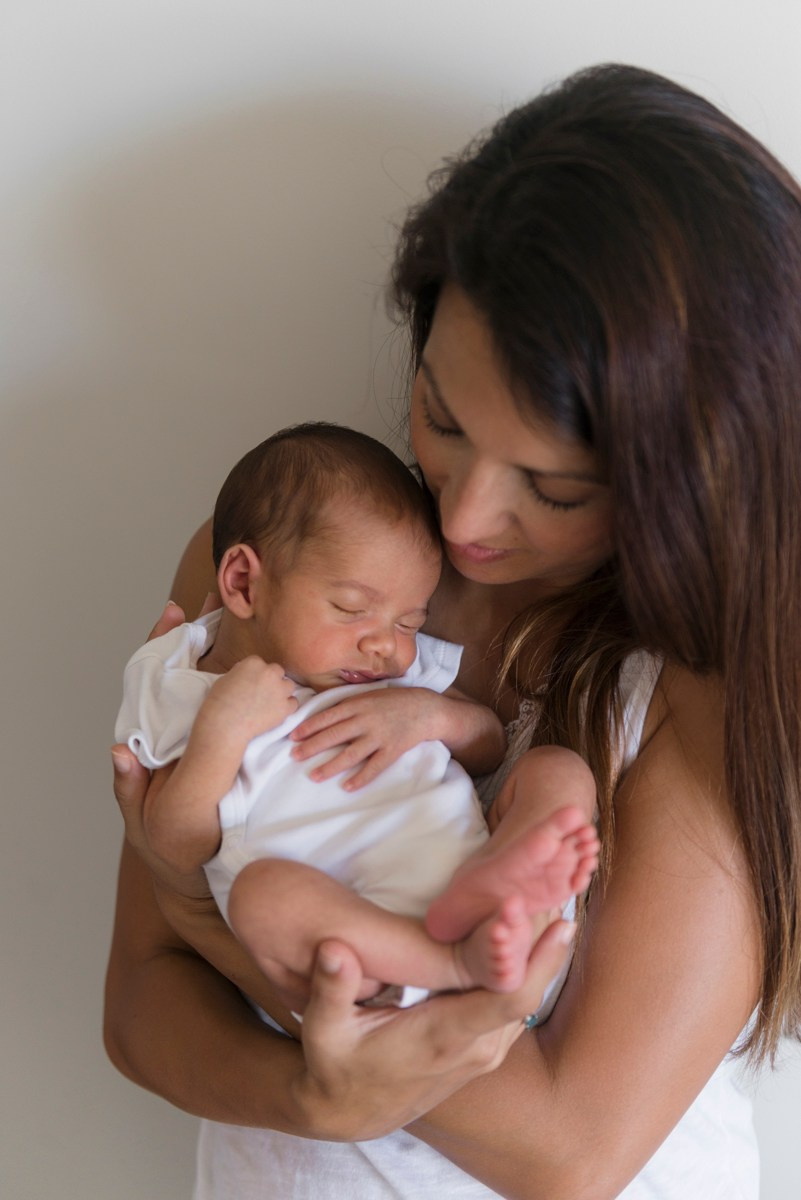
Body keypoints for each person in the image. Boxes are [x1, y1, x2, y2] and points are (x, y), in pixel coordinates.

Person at [104, 62, 801, 1200]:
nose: (468, 517)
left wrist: (212, 918)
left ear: (690, 482)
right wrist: (304, 1098)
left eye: (556, 488)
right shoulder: (278, 571)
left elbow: (568, 1151)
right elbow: (137, 1006)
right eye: (441, 416)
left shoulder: (706, 699)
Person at [114, 422, 599, 1008]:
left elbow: (492, 744)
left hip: (493, 899)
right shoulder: (182, 680)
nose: (387, 647)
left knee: (557, 769)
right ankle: (447, 959)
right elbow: (172, 845)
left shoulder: (393, 674)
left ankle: (503, 871)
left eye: (409, 623)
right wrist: (222, 731)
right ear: (244, 582)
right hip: (371, 947)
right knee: (261, 898)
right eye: (352, 609)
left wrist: (430, 716)